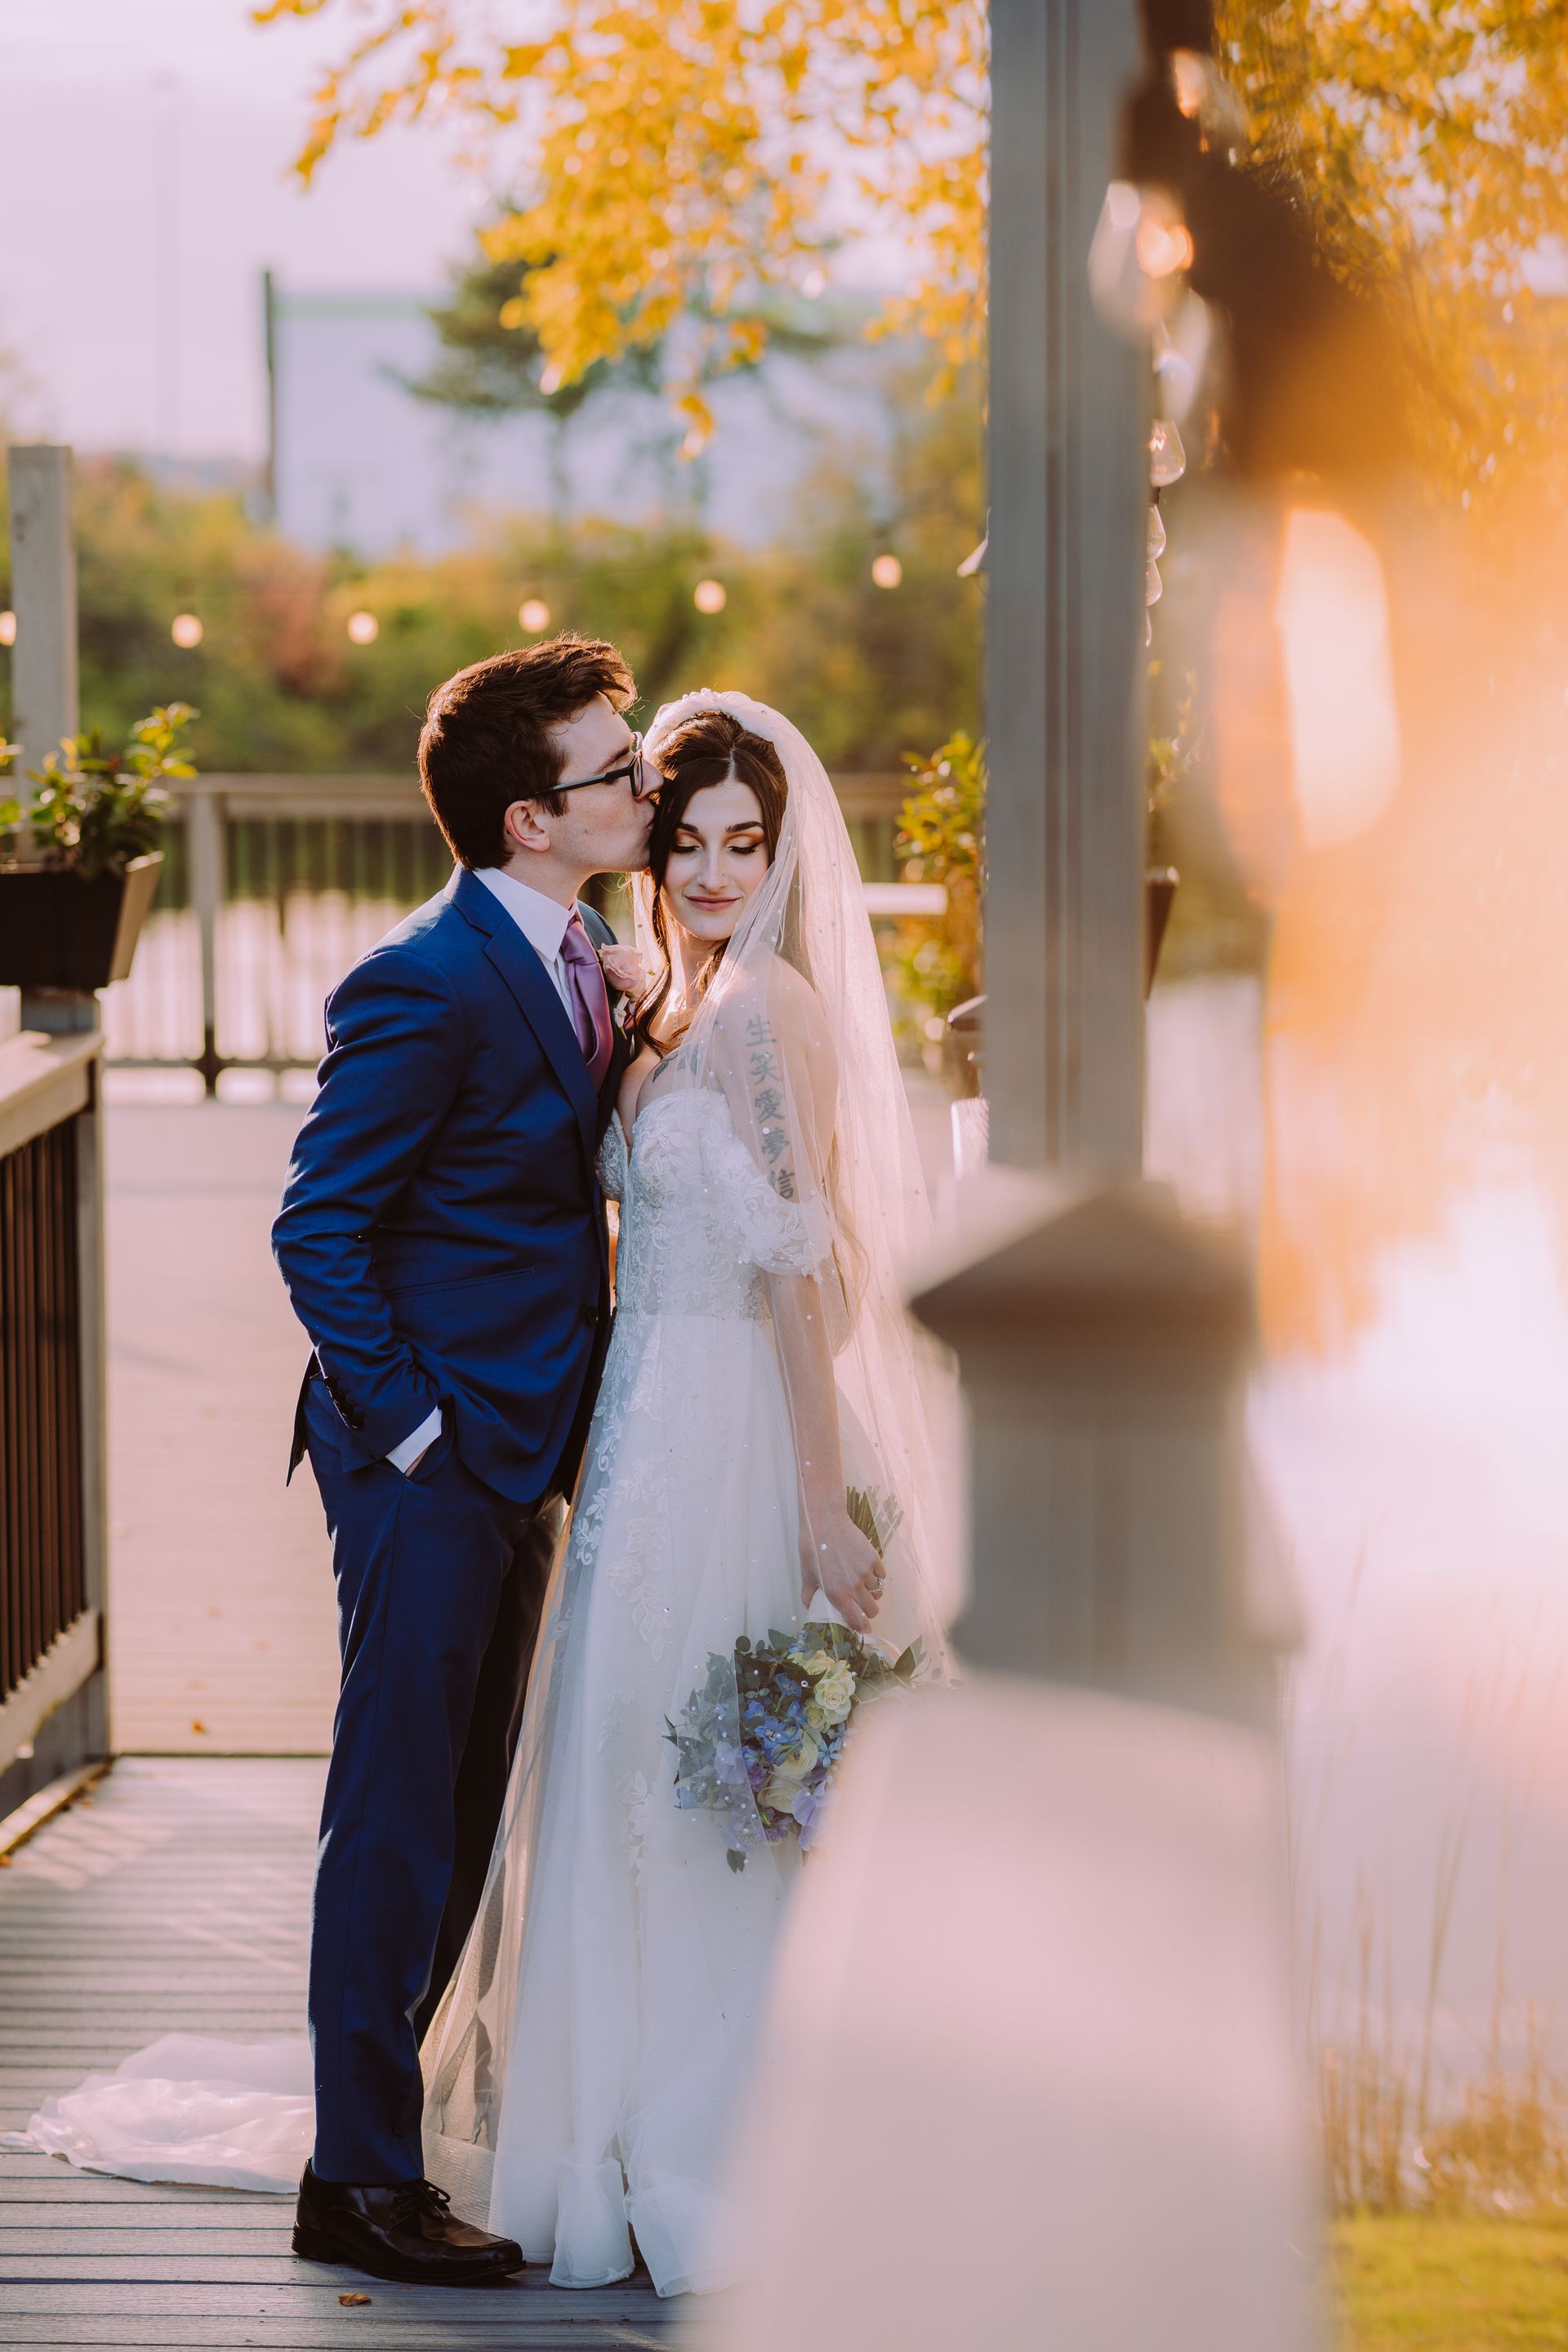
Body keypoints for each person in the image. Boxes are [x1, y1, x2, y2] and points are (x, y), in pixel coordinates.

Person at [420, 691, 950, 2296]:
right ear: (655, 842)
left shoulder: (771, 1011)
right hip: (642, 1420)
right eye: (693, 840)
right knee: (610, 1762)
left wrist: (814, 1497)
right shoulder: (669, 997)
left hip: (729, 1426)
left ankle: (724, 2140)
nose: (716, 872)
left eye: (748, 846)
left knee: (706, 1788)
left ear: (783, 856)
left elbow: (809, 1273)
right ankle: (604, 2129)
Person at [272, 635, 655, 2286]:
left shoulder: (580, 947)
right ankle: (355, 2182)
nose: (646, 788)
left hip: (528, 1442)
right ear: (527, 819)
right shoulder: (422, 977)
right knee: (397, 1817)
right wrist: (417, 1427)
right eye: (620, 775)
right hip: (431, 1459)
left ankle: (388, 2151)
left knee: (465, 1800)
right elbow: (318, 1224)